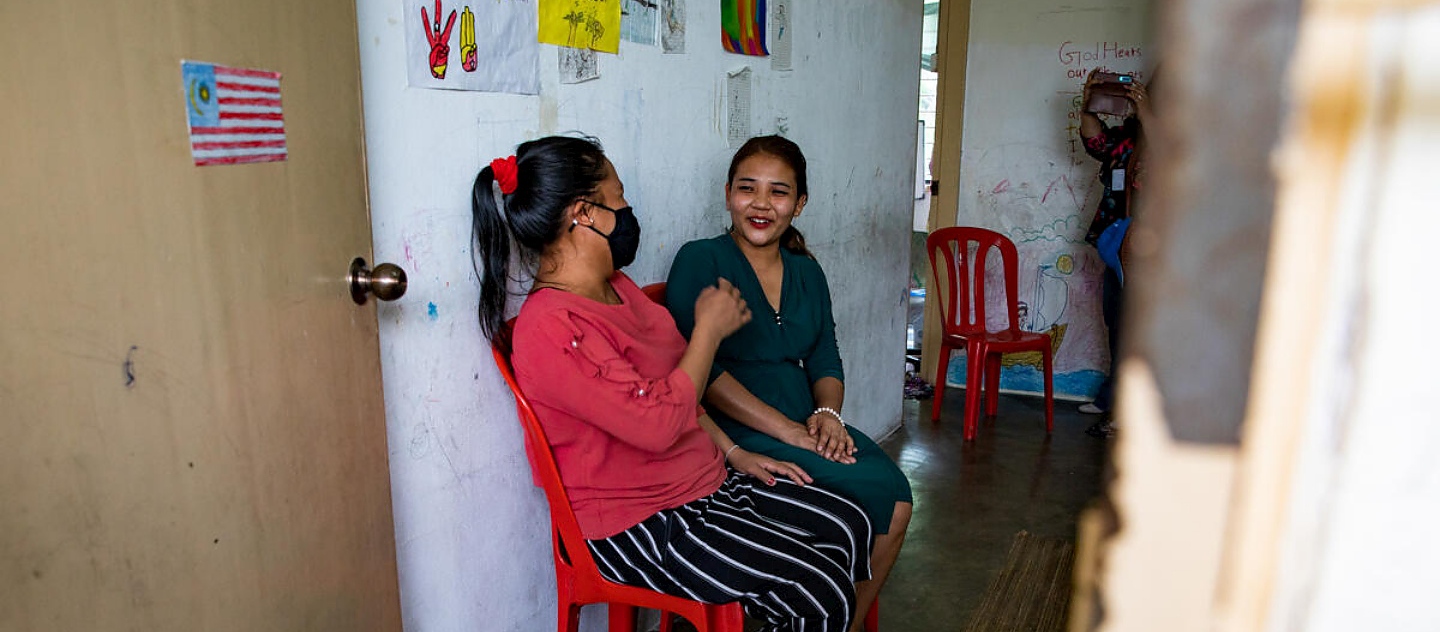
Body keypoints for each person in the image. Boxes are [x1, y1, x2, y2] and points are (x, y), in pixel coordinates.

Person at [471, 135, 874, 632]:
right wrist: (707, 330)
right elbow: (659, 421)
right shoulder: (552, 328)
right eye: (620, 199)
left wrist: (731, 453)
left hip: (698, 487)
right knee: (817, 584)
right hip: (636, 523)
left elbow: (678, 389)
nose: (628, 211)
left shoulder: (615, 289)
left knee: (848, 522)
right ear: (586, 214)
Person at [665, 135, 912, 631]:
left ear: (799, 204)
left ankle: (842, 621)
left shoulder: (807, 272)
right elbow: (702, 373)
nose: (760, 204)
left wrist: (827, 415)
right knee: (863, 495)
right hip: (731, 430)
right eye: (746, 188)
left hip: (803, 418)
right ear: (727, 193)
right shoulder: (701, 259)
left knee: (897, 497)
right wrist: (788, 431)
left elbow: (826, 356)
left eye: (778, 192)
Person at [1077, 68, 1154, 436]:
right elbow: (1095, 141)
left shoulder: (1175, 138)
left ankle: (1130, 410)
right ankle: (1114, 397)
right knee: (1118, 325)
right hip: (1117, 246)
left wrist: (1149, 115)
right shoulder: (1126, 140)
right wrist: (1090, 101)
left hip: (1154, 252)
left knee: (1139, 331)